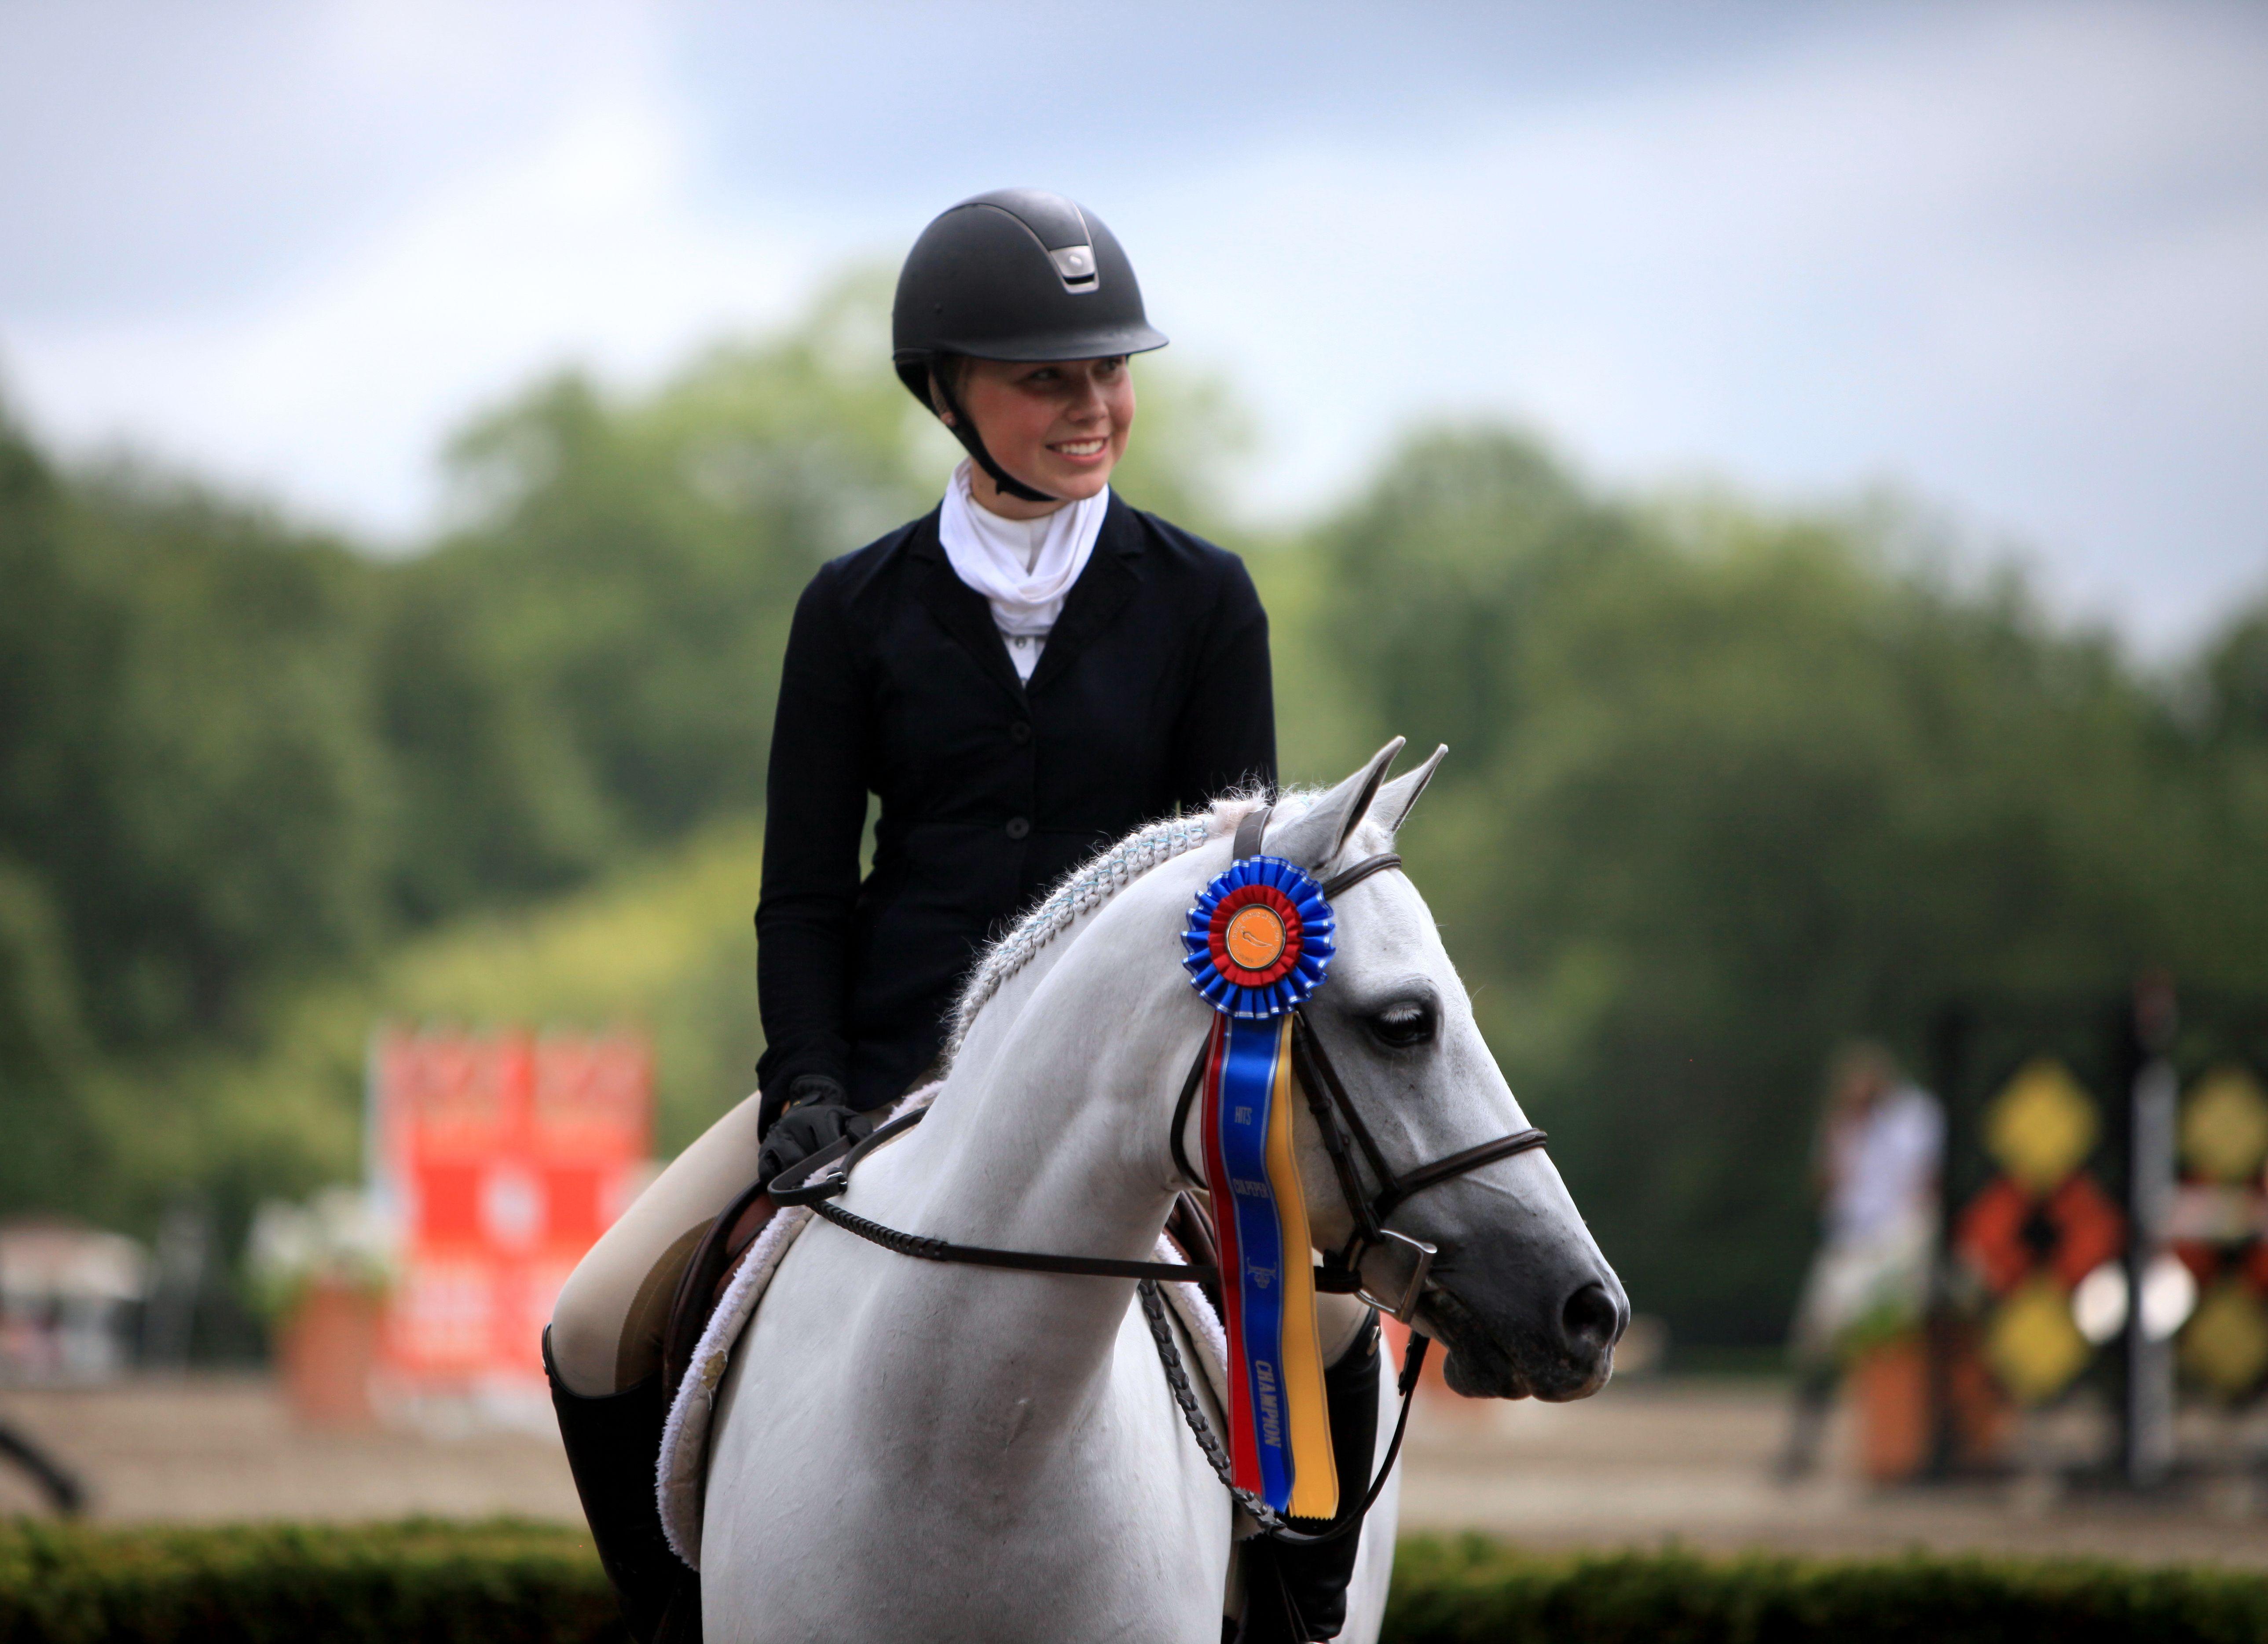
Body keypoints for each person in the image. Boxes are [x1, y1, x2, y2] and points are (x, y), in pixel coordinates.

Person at [546, 190, 1364, 1643]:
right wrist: (801, 1079)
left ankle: (1295, 1610)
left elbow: (1243, 900)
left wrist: (1205, 1106)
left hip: (1129, 1091)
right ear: (948, 392)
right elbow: (800, 887)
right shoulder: (853, 607)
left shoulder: (1203, 602)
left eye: (1110, 369)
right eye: (1048, 375)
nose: (1095, 404)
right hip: (872, 1069)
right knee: (596, 1319)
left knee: (1339, 1319)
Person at [1778, 1040, 1945, 1479]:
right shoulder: (1843, 1125)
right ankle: (1803, 1443)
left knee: (1892, 1348)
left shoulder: (1915, 1117)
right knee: (1815, 1341)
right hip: (1850, 1245)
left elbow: (1925, 1184)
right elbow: (1828, 1188)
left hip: (1897, 1244)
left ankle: (1907, 1445)